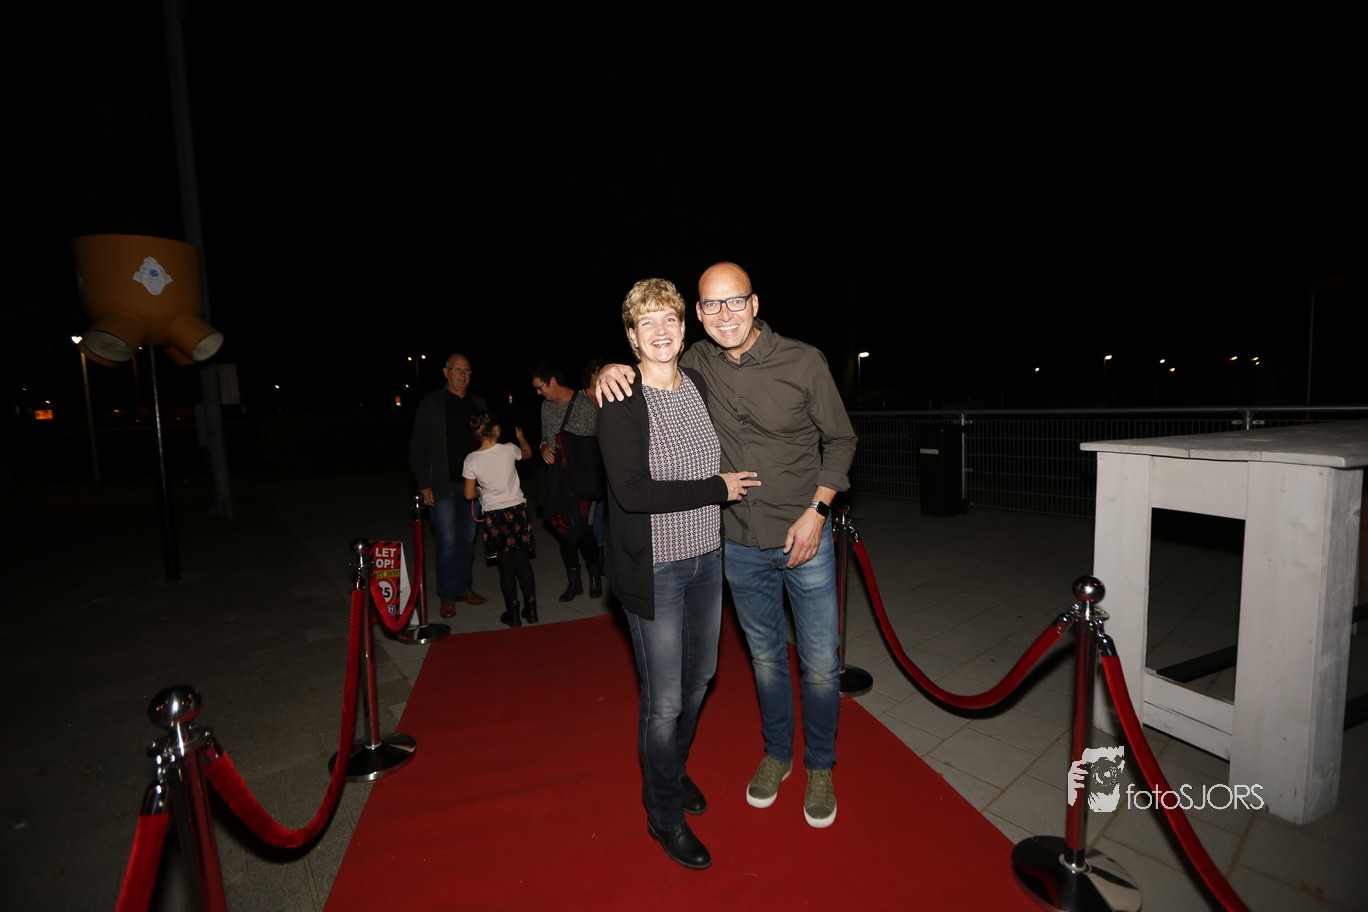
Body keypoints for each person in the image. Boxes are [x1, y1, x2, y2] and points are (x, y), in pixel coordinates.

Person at [597, 262, 857, 829]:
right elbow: (646, 367)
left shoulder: (803, 361)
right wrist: (607, 371)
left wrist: (818, 512)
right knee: (764, 660)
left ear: (754, 303)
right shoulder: (696, 364)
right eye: (712, 305)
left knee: (818, 666)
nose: (724, 314)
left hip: (804, 535)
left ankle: (820, 766)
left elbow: (841, 440)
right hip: (735, 543)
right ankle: (777, 754)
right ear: (700, 314)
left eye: (734, 301)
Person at [597, 277, 760, 870]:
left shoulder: (697, 383)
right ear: (632, 336)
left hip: (706, 560)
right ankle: (662, 812)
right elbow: (633, 493)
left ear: (684, 327)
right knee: (663, 701)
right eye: (647, 323)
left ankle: (671, 769)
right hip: (657, 570)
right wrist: (717, 488)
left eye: (669, 318)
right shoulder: (620, 399)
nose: (661, 331)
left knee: (701, 679)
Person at [409, 353, 489, 617]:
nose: (462, 375)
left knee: (467, 539)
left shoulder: (478, 403)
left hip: (472, 485)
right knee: (447, 541)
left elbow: (488, 443)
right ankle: (447, 595)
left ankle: (464, 588)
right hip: (442, 485)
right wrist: (424, 483)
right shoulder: (432, 403)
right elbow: (417, 446)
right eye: (457, 370)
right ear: (446, 372)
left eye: (467, 371)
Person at [531, 361, 604, 603]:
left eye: (541, 387)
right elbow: (545, 437)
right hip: (558, 480)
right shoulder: (546, 407)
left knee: (583, 529)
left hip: (583, 480)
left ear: (553, 381)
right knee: (563, 530)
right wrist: (543, 447)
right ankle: (574, 582)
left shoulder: (584, 404)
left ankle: (594, 574)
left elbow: (598, 443)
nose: (538, 392)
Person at [463, 413, 538, 627]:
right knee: (523, 563)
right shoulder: (509, 449)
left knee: (505, 567)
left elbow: (468, 494)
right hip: (517, 511)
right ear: (496, 430)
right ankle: (531, 610)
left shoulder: (471, 460)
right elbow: (527, 453)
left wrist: (481, 490)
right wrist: (521, 437)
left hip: (495, 516)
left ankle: (513, 614)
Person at [582, 355, 609, 564]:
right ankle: (595, 551)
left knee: (603, 510)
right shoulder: (580, 398)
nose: (599, 375)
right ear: (589, 375)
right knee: (591, 511)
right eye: (596, 372)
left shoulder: (609, 395)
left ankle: (603, 552)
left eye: (602, 371)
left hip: (606, 460)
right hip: (586, 463)